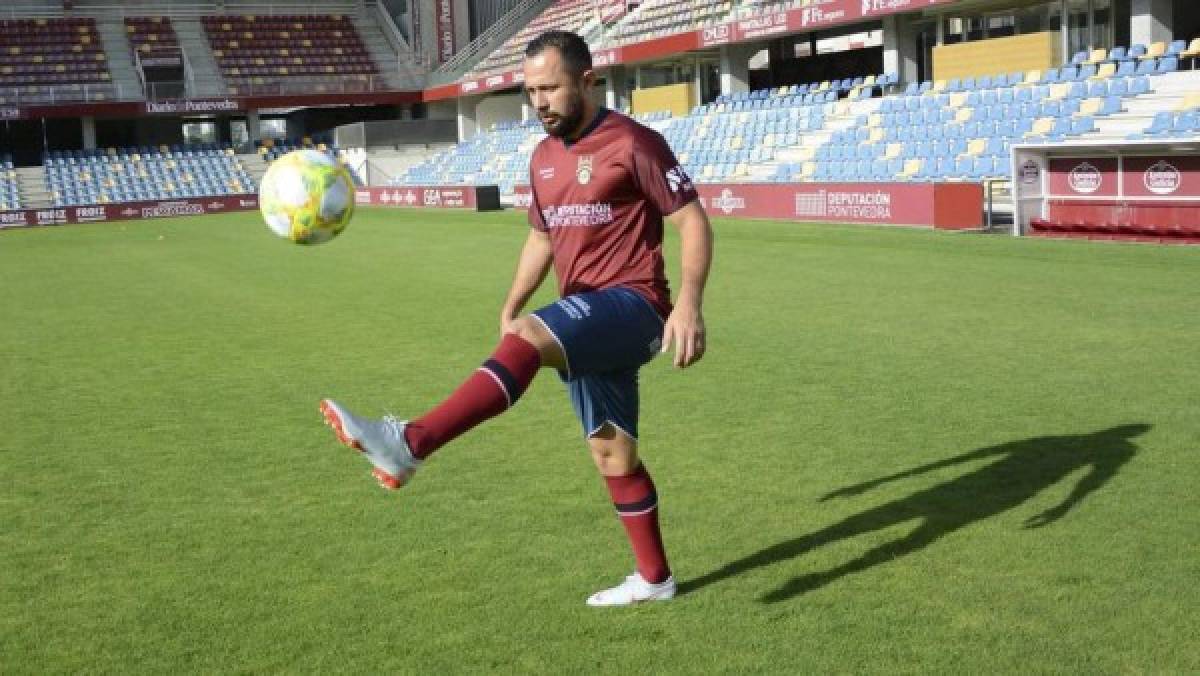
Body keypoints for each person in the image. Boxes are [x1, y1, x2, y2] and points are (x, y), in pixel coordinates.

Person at [320, 29, 714, 607]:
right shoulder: (542, 158)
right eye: (530, 91)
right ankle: (655, 579)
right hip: (585, 317)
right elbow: (542, 238)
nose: (539, 102)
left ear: (587, 81)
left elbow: (693, 222)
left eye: (550, 88)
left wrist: (689, 305)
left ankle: (410, 442)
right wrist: (510, 303)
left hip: (635, 306)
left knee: (535, 334)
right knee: (611, 452)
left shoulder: (635, 142)